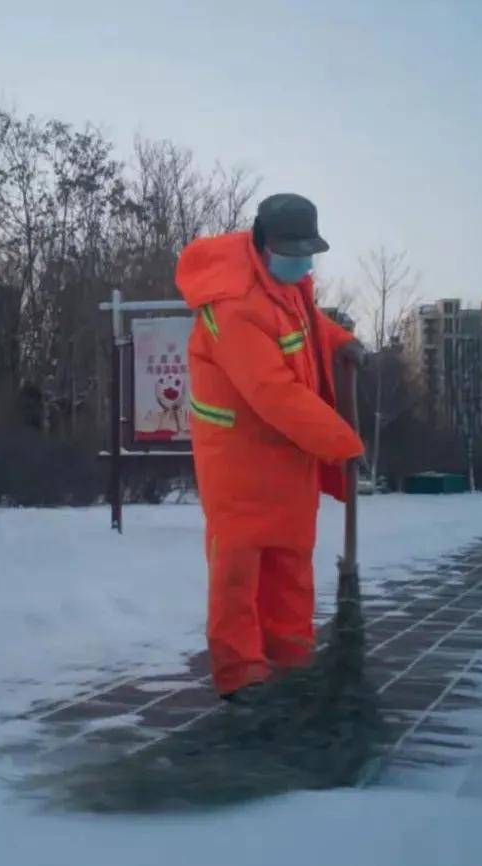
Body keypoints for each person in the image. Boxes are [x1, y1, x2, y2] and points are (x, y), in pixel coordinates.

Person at [174, 193, 366, 700]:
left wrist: (339, 339)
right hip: (239, 460)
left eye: (309, 252)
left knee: (290, 565)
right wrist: (340, 443)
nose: (303, 262)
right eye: (293, 251)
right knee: (239, 569)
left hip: (288, 456)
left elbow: (301, 322)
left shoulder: (286, 283)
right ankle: (243, 682)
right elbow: (272, 391)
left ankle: (292, 668)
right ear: (263, 244)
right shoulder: (232, 305)